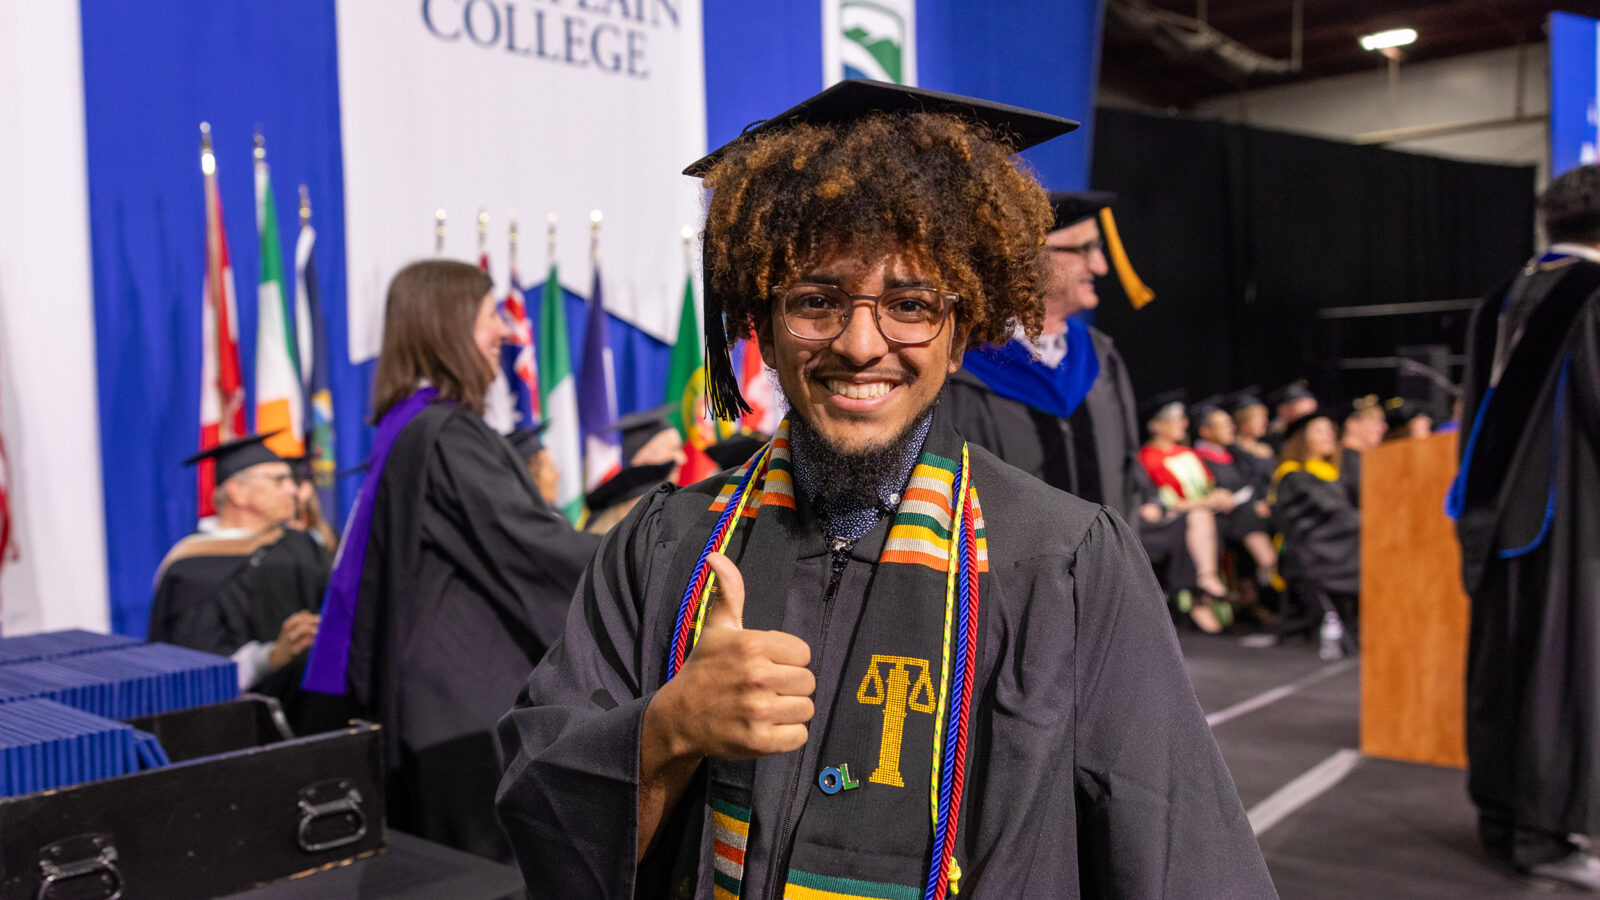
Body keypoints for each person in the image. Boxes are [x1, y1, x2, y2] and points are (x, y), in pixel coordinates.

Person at [496, 80, 1274, 898]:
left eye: (910, 303)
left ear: (962, 330)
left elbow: (1180, 856)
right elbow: (540, 808)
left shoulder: (1065, 564)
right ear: (762, 326)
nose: (861, 343)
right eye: (816, 301)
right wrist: (668, 730)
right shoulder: (667, 542)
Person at [300, 259, 603, 861]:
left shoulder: (411, 427)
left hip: (439, 704)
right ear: (448, 324)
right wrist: (653, 546)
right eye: (491, 316)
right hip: (461, 721)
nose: (507, 332)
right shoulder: (447, 435)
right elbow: (533, 547)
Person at [1449, 164, 1600, 889]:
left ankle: (1503, 818)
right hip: (1571, 520)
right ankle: (1547, 836)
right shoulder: (1591, 295)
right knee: (1561, 672)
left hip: (1497, 515)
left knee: (1505, 665)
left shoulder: (1501, 297)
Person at [946, 190, 1146, 519]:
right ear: (1029, 259)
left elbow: (1129, 479)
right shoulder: (967, 367)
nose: (1101, 266)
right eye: (1085, 249)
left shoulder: (1100, 358)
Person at [149, 433, 333, 730]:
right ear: (238, 492)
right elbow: (194, 675)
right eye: (279, 481)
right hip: (237, 727)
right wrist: (270, 658)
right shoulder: (192, 569)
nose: (294, 490)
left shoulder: (302, 545)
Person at [1268, 411, 1358, 653]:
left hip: (1338, 548)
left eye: (1330, 430)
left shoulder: (1334, 473)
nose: (1329, 435)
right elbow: (1330, 518)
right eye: (1319, 430)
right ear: (1301, 438)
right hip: (1318, 554)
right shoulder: (1293, 475)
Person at [1338, 395, 1386, 508]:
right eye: (1376, 421)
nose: (1383, 427)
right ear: (1352, 424)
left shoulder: (1365, 459)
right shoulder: (1343, 459)